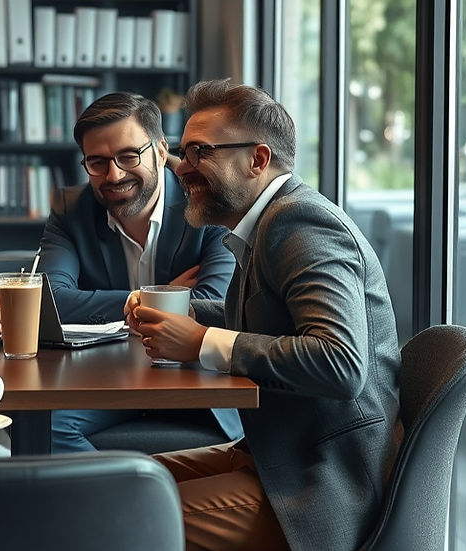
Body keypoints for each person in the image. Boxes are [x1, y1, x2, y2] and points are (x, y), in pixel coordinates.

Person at [127, 79, 401, 550]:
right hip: (277, 454)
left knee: (109, 512)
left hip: (324, 481)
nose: (181, 169)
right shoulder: (265, 223)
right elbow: (268, 318)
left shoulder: (301, 223)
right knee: (110, 484)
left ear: (257, 159)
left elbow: (340, 362)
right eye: (184, 153)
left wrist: (198, 342)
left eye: (199, 153)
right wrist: (184, 311)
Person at [39, 92, 240, 453]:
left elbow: (215, 304)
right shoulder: (72, 209)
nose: (113, 175)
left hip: (198, 378)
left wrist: (125, 306)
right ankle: (120, 507)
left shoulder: (209, 201)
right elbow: (49, 299)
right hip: (106, 378)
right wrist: (156, 298)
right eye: (97, 162)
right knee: (43, 427)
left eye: (128, 156)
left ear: (161, 150)